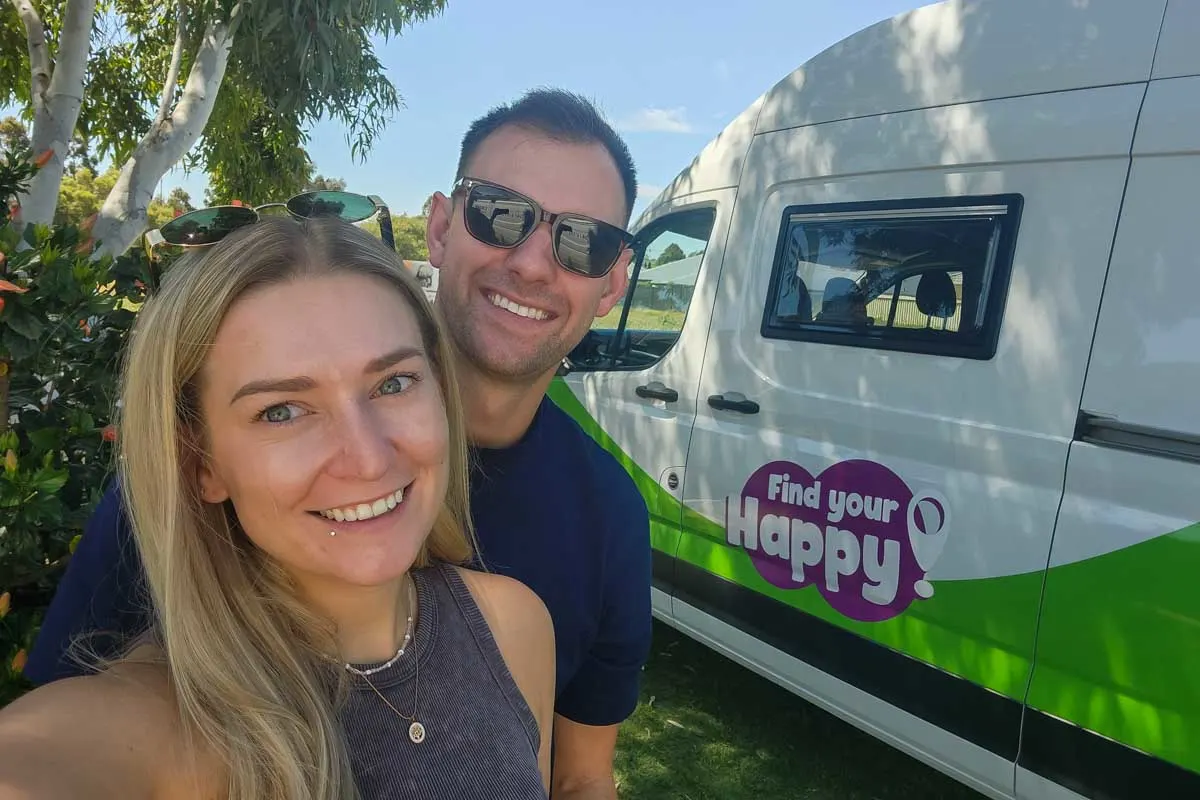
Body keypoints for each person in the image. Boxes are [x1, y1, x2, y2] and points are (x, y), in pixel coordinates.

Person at [26, 88, 653, 798]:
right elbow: (74, 739)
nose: (536, 265)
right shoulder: (167, 501)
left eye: (583, 241)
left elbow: (575, 777)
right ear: (441, 227)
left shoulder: (595, 532)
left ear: (613, 282)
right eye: (500, 214)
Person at [0, 216, 556, 799]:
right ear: (201, 464)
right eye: (282, 411)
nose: (366, 459)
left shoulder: (512, 628)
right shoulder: (161, 727)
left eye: (393, 383)